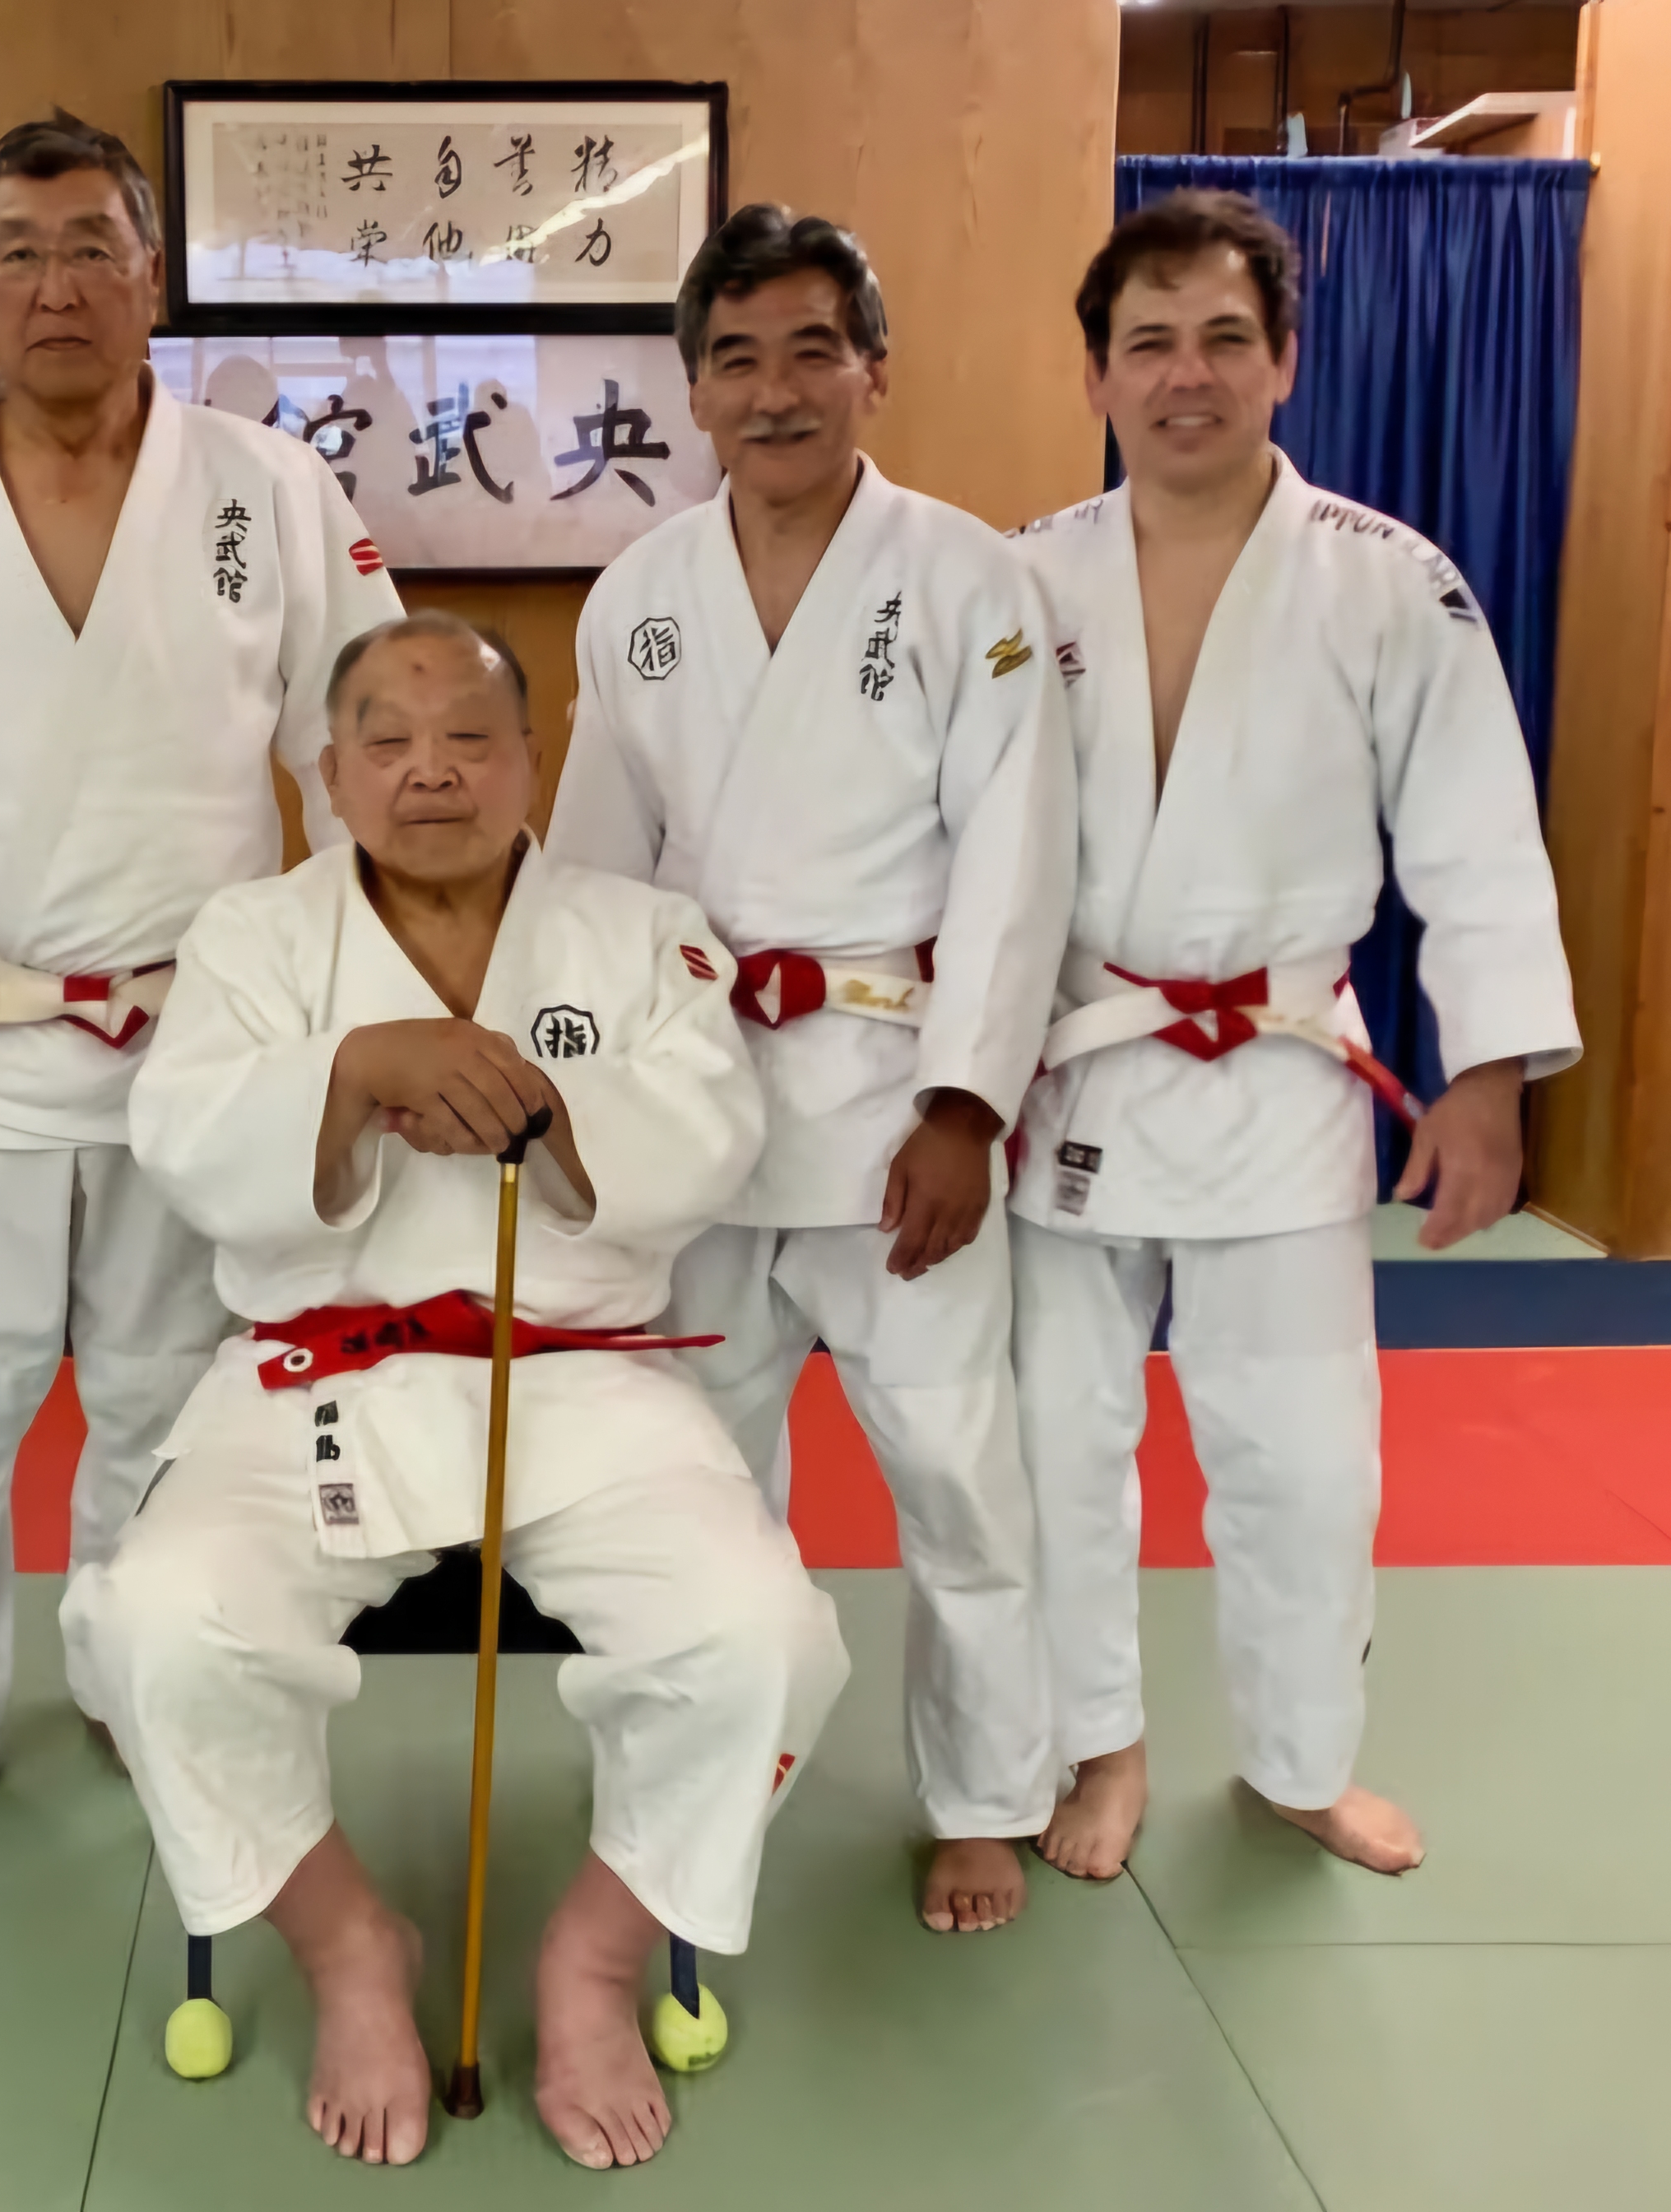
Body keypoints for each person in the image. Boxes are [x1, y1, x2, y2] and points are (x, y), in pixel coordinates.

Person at [64, 612, 849, 2170]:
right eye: (390, 741)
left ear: (531, 763)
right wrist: (354, 1074)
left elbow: (711, 1130)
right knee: (157, 1623)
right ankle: (349, 1945)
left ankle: (598, 1955)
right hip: (318, 1379)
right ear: (329, 774)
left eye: (471, 738)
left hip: (580, 1384)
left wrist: (539, 1103)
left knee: (764, 1636)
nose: (431, 771)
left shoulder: (644, 933)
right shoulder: (249, 939)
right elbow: (190, 1137)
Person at [0, 112, 402, 1865]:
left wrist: (349, 1012)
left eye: (91, 251)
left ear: (154, 276)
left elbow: (363, 749)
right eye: (21, 252)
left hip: (199, 1044)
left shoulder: (270, 488)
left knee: (167, 1397)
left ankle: (136, 1676)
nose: (57, 286)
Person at [1008, 190, 1580, 1881]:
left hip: (1278, 1070)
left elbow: (1475, 839)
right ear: (1097, 375)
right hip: (1072, 1066)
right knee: (1057, 1450)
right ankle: (1098, 1745)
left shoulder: (1389, 581)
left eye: (1222, 339)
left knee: (1305, 1459)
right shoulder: (1019, 577)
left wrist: (1483, 1084)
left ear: (1285, 360)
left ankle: (1297, 1761)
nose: (1184, 375)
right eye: (1147, 343)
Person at [545, 207, 1075, 1934]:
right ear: (691, 391)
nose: (773, 392)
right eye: (735, 360)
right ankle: (699, 1782)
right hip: (696, 1101)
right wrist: (582, 1094)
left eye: (808, 352)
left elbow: (1018, 857)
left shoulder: (969, 582)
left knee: (954, 1467)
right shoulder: (639, 594)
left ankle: (983, 1797)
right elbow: (594, 870)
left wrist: (964, 1104)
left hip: (888, 1097)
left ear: (871, 371)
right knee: (693, 1479)